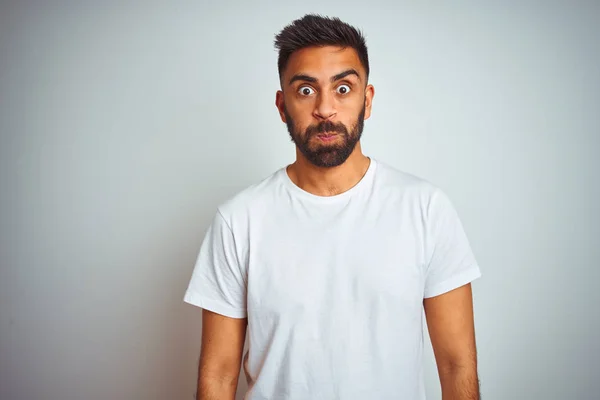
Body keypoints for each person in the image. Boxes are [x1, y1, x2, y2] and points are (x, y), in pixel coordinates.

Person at [184, 13, 482, 400]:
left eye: (343, 88)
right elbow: (219, 375)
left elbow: (457, 365)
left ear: (367, 100)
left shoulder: (425, 208)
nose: (325, 108)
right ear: (281, 105)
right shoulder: (239, 220)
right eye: (306, 90)